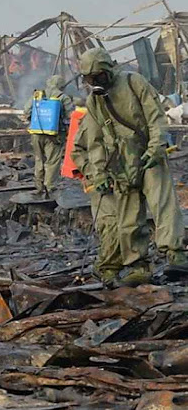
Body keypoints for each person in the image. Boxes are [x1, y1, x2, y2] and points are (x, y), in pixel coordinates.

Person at [79, 47, 188, 286]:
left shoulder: (133, 82)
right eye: (90, 79)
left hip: (148, 155)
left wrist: (156, 147)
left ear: (109, 71)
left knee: (163, 204)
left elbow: (155, 117)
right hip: (120, 164)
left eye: (99, 77)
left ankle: (175, 254)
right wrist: (99, 174)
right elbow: (95, 142)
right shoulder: (94, 101)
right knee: (128, 216)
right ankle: (137, 265)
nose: (96, 82)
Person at [71, 114, 122, 285]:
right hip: (100, 184)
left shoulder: (126, 115)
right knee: (110, 223)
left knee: (128, 225)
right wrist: (95, 175)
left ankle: (119, 265)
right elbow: (77, 152)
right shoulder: (93, 118)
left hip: (124, 182)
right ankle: (106, 269)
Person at [24, 75, 74, 196]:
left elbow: (27, 110)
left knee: (39, 159)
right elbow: (70, 116)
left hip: (36, 133)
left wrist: (35, 120)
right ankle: (50, 186)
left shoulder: (38, 95)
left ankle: (39, 186)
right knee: (52, 161)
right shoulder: (63, 97)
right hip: (54, 134)